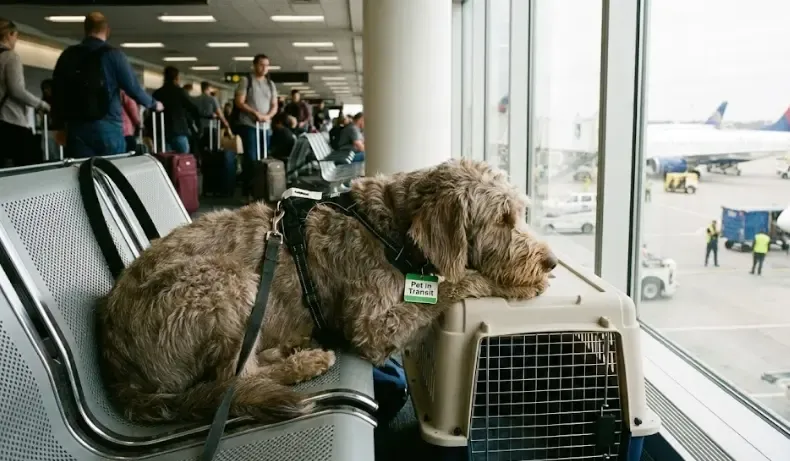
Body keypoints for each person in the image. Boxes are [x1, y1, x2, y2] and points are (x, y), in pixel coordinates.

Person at [52, 12, 162, 158]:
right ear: (107, 30)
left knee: (81, 173)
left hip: (76, 127)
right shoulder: (113, 55)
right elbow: (133, 88)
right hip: (108, 124)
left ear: (85, 29)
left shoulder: (68, 55)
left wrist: (58, 126)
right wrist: (154, 104)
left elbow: (58, 91)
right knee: (112, 172)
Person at [0, 18, 51, 167]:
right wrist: (42, 105)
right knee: (25, 164)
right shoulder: (10, 56)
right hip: (10, 118)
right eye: (16, 36)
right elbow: (16, 90)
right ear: (10, 34)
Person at [234, 53, 278, 199]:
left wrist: (268, 116)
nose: (264, 68)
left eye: (267, 65)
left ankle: (262, 191)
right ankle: (248, 192)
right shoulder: (246, 81)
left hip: (265, 126)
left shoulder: (270, 84)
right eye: (261, 64)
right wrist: (255, 113)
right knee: (251, 159)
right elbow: (239, 101)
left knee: (264, 160)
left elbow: (274, 105)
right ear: (254, 65)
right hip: (250, 125)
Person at [152, 66, 202, 154]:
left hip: (161, 132)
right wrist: (198, 126)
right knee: (183, 159)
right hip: (179, 130)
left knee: (165, 159)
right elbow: (192, 108)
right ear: (177, 78)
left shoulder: (157, 93)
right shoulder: (179, 92)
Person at [195, 81, 232, 150]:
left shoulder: (195, 99)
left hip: (199, 127)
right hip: (211, 127)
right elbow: (220, 114)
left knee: (201, 149)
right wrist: (227, 125)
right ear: (208, 88)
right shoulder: (212, 99)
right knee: (213, 148)